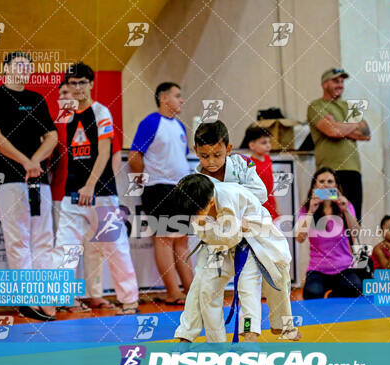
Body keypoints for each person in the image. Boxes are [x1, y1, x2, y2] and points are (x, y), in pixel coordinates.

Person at [174, 121, 298, 341]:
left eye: (217, 155)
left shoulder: (242, 164)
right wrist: (217, 223)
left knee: (276, 277)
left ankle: (282, 325)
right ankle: (191, 336)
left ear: (228, 150)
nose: (210, 162)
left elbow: (260, 194)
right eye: (204, 156)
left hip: (252, 234)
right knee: (203, 285)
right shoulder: (197, 182)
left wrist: (231, 197)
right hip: (219, 241)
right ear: (196, 152)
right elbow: (202, 218)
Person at [53, 62, 139, 315]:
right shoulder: (67, 115)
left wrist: (90, 186)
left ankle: (129, 300)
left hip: (100, 194)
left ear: (91, 84)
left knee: (115, 248)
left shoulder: (101, 112)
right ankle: (62, 299)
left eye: (82, 83)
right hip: (72, 194)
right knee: (66, 248)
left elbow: (105, 153)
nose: (77, 88)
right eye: (72, 83)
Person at [0, 51, 57, 321]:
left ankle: (47, 300)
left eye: (28, 65)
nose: (24, 69)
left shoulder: (35, 99)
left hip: (38, 180)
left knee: (44, 240)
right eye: (18, 64)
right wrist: (24, 161)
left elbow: (52, 136)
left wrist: (35, 161)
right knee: (18, 240)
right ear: (6, 68)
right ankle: (28, 300)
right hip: (7, 178)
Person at [128, 82, 193, 305]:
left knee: (182, 240)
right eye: (177, 96)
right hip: (158, 187)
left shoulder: (181, 127)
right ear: (163, 98)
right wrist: (145, 178)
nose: (181, 100)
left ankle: (191, 291)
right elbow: (135, 156)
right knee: (164, 239)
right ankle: (173, 292)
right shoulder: (150, 123)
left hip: (180, 188)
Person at [306, 67, 371, 221]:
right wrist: (353, 124)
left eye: (342, 81)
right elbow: (331, 132)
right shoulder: (316, 106)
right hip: (328, 175)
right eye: (335, 81)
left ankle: (352, 246)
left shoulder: (350, 106)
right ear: (324, 84)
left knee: (353, 218)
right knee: (327, 217)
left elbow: (366, 134)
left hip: (353, 171)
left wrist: (337, 125)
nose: (340, 85)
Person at [296, 167, 362, 298]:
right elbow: (300, 238)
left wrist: (346, 211)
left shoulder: (346, 206)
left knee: (355, 288)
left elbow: (356, 233)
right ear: (314, 186)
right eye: (321, 181)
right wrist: (311, 211)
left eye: (330, 181)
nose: (325, 184)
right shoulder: (306, 209)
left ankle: (333, 295)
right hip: (318, 269)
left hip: (344, 268)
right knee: (311, 293)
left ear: (336, 186)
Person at [245, 125, 281, 220]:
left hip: (271, 204)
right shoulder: (249, 165)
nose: (268, 145)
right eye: (264, 143)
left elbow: (271, 186)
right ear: (252, 145)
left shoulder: (268, 159)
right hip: (259, 207)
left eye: (269, 142)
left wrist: (277, 205)